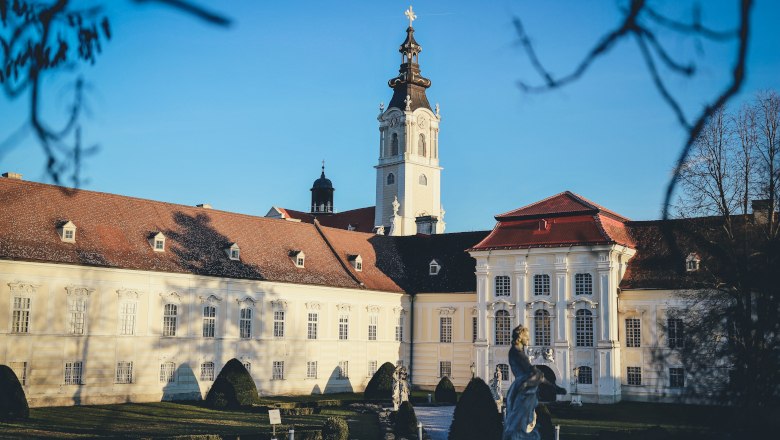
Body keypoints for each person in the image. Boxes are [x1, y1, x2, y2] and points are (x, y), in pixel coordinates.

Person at [503, 325, 566, 440]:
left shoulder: (516, 352)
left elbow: (535, 374)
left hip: (522, 389)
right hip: (523, 391)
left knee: (522, 423)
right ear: (520, 337)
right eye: (526, 337)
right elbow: (533, 373)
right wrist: (553, 387)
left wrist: (551, 385)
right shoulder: (517, 353)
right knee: (521, 425)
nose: (528, 339)